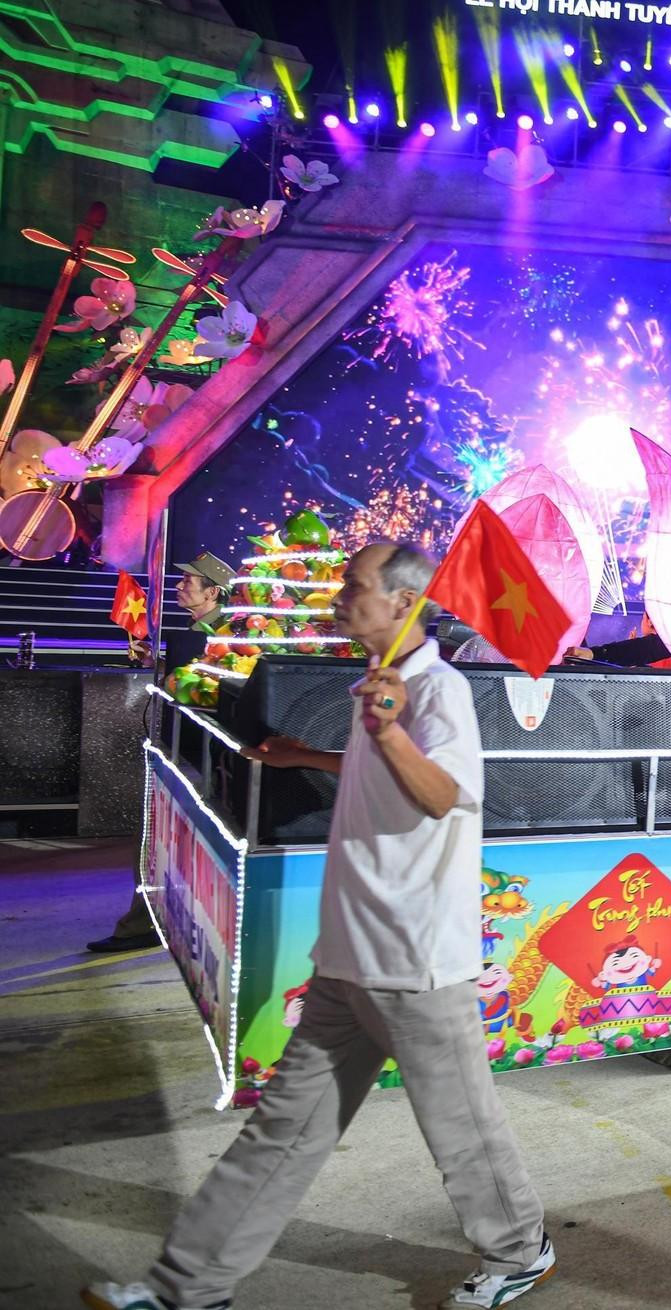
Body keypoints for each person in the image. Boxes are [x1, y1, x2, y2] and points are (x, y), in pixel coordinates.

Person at [85, 543, 555, 1310]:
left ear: (402, 603)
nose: (339, 597)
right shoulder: (380, 683)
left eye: (353, 585)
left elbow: (446, 794)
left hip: (415, 961)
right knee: (283, 1131)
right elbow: (381, 772)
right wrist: (311, 755)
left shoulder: (438, 689)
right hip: (347, 954)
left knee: (460, 1128)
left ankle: (520, 1252)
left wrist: (391, 732)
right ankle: (187, 1287)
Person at [87, 553, 237, 955]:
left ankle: (143, 925)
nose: (180, 586)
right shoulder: (200, 631)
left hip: (200, 758)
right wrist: (161, 663)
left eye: (189, 582)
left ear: (213, 592)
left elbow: (208, 688)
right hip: (186, 753)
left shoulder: (227, 634)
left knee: (157, 840)